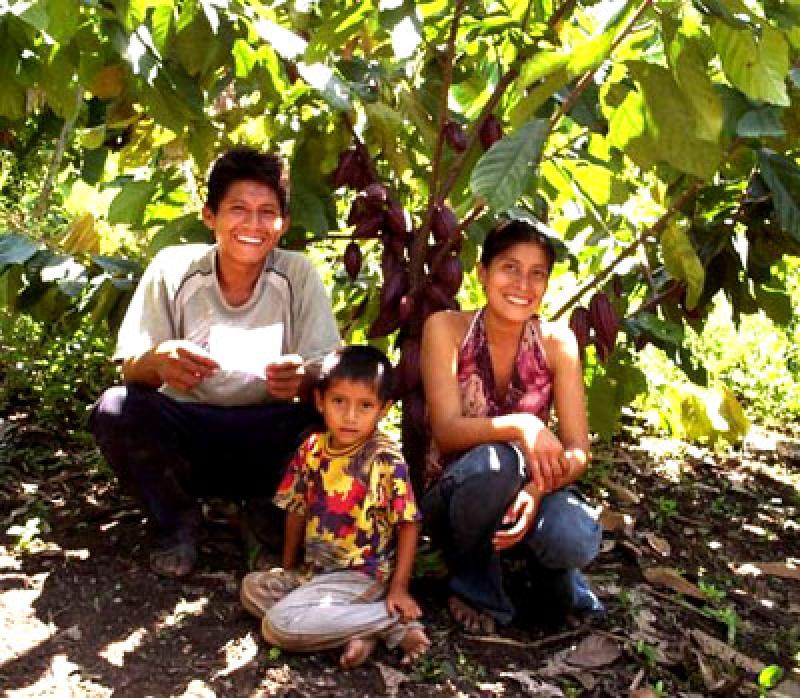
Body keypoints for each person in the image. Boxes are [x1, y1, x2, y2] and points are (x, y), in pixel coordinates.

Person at [89, 147, 341, 578]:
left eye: (267, 213)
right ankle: (176, 519)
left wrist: (301, 380)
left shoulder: (296, 274)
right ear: (210, 216)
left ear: (282, 225)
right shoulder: (174, 267)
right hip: (189, 426)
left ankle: (268, 515)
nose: (252, 225)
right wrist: (160, 361)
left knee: (332, 422)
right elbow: (130, 368)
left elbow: (329, 371)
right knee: (115, 408)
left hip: (269, 430)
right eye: (238, 210)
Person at [420, 218, 603, 634]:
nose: (523, 284)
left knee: (575, 536)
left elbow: (577, 451)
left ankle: (544, 575)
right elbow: (447, 431)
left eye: (537, 273)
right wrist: (521, 425)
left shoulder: (558, 343)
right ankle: (473, 585)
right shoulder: (446, 329)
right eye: (510, 268)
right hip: (455, 494)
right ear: (482, 273)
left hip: (530, 484)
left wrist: (536, 490)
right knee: (496, 462)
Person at [240, 345, 430, 669]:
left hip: (361, 575)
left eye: (365, 405)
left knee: (278, 626)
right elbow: (296, 508)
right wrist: (288, 567)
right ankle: (357, 631)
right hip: (316, 573)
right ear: (319, 400)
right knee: (251, 588)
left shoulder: (384, 458)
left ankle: (393, 623)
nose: (350, 416)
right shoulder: (312, 449)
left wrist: (399, 588)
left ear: (383, 409)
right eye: (339, 401)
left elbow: (409, 522)